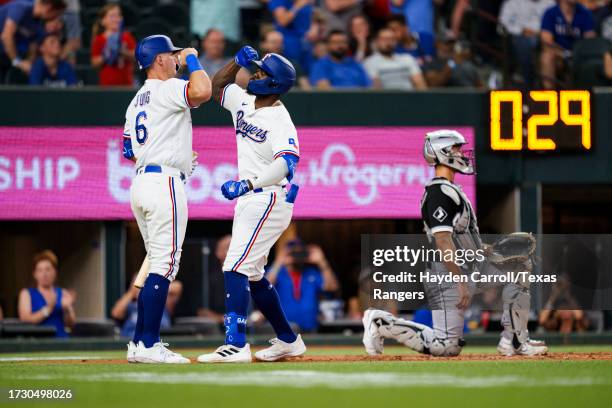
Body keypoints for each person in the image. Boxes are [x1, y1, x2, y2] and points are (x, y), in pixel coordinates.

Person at [362, 129, 548, 357]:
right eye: (457, 149)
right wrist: (459, 281)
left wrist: (485, 249)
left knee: (520, 266)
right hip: (447, 274)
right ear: (443, 152)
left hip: (471, 267)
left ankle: (515, 341)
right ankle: (381, 322)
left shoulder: (451, 189)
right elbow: (442, 240)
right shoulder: (439, 192)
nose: (462, 153)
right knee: (446, 346)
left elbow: (460, 237)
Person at [197, 46, 305, 363]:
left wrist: (247, 183)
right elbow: (217, 87)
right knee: (253, 273)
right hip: (253, 198)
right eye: (255, 70)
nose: (254, 74)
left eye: (260, 72)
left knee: (234, 266)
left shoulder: (280, 118)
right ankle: (288, 340)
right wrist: (236, 62)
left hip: (270, 195)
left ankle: (236, 343)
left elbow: (287, 163)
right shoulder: (245, 101)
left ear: (273, 84)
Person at [122, 34, 211, 363]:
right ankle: (148, 344)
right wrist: (193, 59)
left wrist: (176, 152)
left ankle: (138, 343)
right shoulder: (166, 86)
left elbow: (129, 149)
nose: (176, 59)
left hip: (142, 181)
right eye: (171, 55)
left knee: (154, 263)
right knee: (164, 263)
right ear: (158, 60)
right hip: (164, 184)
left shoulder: (136, 101)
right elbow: (202, 90)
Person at [265, 240, 339, 331]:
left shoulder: (311, 272)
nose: (297, 256)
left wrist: (322, 262)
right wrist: (278, 261)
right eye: (293, 253)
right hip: (283, 329)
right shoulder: (278, 273)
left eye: (300, 253)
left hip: (309, 327)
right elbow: (265, 287)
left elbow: (332, 287)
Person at [0, 0, 66, 81]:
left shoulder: (38, 25)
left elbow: (32, 48)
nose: (55, 18)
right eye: (55, 15)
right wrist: (17, 61)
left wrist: (28, 63)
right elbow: (6, 36)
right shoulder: (21, 7)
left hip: (5, 60)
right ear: (49, 8)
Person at [17, 250, 76, 338]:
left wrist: (67, 309)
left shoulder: (62, 293)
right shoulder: (26, 294)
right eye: (40, 270)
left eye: (48, 269)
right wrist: (48, 309)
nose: (44, 274)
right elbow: (25, 319)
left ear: (54, 272)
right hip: (38, 343)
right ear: (35, 274)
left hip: (61, 342)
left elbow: (70, 325)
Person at [540, 0, 595, 88]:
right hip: (559, 56)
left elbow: (590, 41)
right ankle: (549, 96)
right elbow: (546, 41)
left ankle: (590, 97)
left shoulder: (585, 13)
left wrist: (576, 55)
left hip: (579, 56)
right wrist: (565, 54)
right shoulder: (550, 13)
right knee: (547, 56)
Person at [499, 0, 555, 88]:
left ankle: (536, 82)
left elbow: (554, 24)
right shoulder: (512, 2)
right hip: (518, 37)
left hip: (543, 37)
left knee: (544, 44)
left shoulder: (550, 3)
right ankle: (528, 80)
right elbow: (502, 26)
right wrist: (521, 30)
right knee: (524, 43)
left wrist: (541, 33)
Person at [112, 276, 183, 339]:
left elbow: (177, 287)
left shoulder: (162, 298)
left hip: (158, 340)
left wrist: (153, 286)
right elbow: (116, 313)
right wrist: (133, 290)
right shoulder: (132, 304)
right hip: (129, 340)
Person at [90, 4, 136, 86]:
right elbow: (94, 63)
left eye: (118, 15)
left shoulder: (127, 37)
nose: (116, 19)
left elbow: (136, 56)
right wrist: (106, 55)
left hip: (127, 84)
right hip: (107, 86)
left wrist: (124, 52)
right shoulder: (99, 39)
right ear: (103, 21)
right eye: (112, 16)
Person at [198, 234, 232, 323]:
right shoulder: (210, 280)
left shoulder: (249, 277)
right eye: (229, 248)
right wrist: (223, 319)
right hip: (218, 329)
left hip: (250, 327)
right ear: (218, 252)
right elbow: (201, 311)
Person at [268, 0, 313, 68]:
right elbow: (282, 21)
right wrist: (297, 6)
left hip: (307, 42)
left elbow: (312, 14)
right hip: (288, 43)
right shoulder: (278, 1)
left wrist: (314, 26)